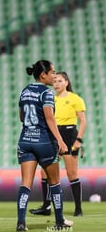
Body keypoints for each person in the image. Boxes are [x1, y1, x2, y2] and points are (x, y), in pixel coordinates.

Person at [16, 60, 74, 232]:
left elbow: (21, 116)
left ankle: (21, 222)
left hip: (25, 140)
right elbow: (50, 118)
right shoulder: (47, 93)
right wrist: (61, 141)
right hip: (44, 142)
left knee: (26, 184)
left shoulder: (25, 91)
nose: (54, 76)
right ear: (43, 75)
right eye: (52, 72)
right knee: (54, 182)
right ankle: (59, 221)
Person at [29, 71, 86, 217]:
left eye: (59, 81)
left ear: (66, 82)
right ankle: (46, 207)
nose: (56, 83)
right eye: (54, 81)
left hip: (69, 135)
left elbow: (83, 121)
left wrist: (78, 140)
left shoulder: (75, 99)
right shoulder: (51, 99)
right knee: (44, 171)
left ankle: (78, 209)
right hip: (54, 135)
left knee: (71, 173)